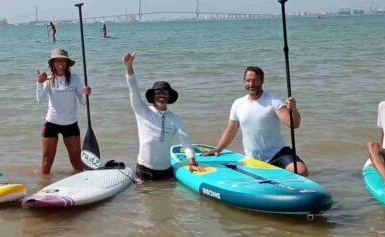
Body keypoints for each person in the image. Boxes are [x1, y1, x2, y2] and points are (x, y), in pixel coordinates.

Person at [207, 65, 308, 174]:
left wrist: (293, 109)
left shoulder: (273, 101)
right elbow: (230, 131)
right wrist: (218, 149)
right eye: (248, 81)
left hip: (279, 154)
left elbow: (293, 124)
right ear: (244, 82)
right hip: (253, 159)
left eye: (255, 81)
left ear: (262, 81)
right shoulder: (238, 104)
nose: (251, 84)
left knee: (301, 171)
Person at [122, 52, 199, 181]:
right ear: (153, 96)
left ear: (169, 97)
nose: (161, 95)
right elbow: (133, 89)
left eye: (165, 93)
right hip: (143, 170)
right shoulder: (142, 111)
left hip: (166, 172)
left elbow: (186, 143)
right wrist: (129, 66)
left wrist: (192, 162)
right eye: (158, 92)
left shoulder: (176, 119)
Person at [36, 48, 90, 173]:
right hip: (51, 123)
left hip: (70, 124)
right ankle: (43, 187)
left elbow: (83, 102)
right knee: (46, 161)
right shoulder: (48, 80)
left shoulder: (75, 79)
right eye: (57, 61)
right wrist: (39, 83)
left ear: (67, 63)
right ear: (52, 63)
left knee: (76, 161)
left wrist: (86, 94)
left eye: (63, 61)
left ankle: (80, 186)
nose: (60, 63)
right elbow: (41, 100)